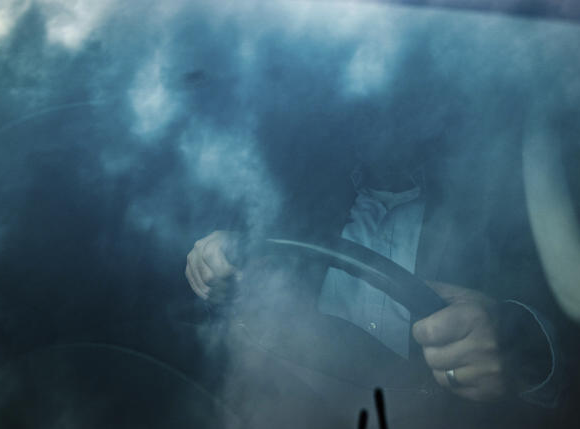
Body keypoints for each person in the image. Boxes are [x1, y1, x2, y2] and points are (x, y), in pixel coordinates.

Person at [185, 153, 560, 407]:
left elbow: (575, 347)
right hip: (292, 415)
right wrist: (216, 271)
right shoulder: (304, 195)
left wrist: (512, 345)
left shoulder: (489, 208)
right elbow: (252, 287)